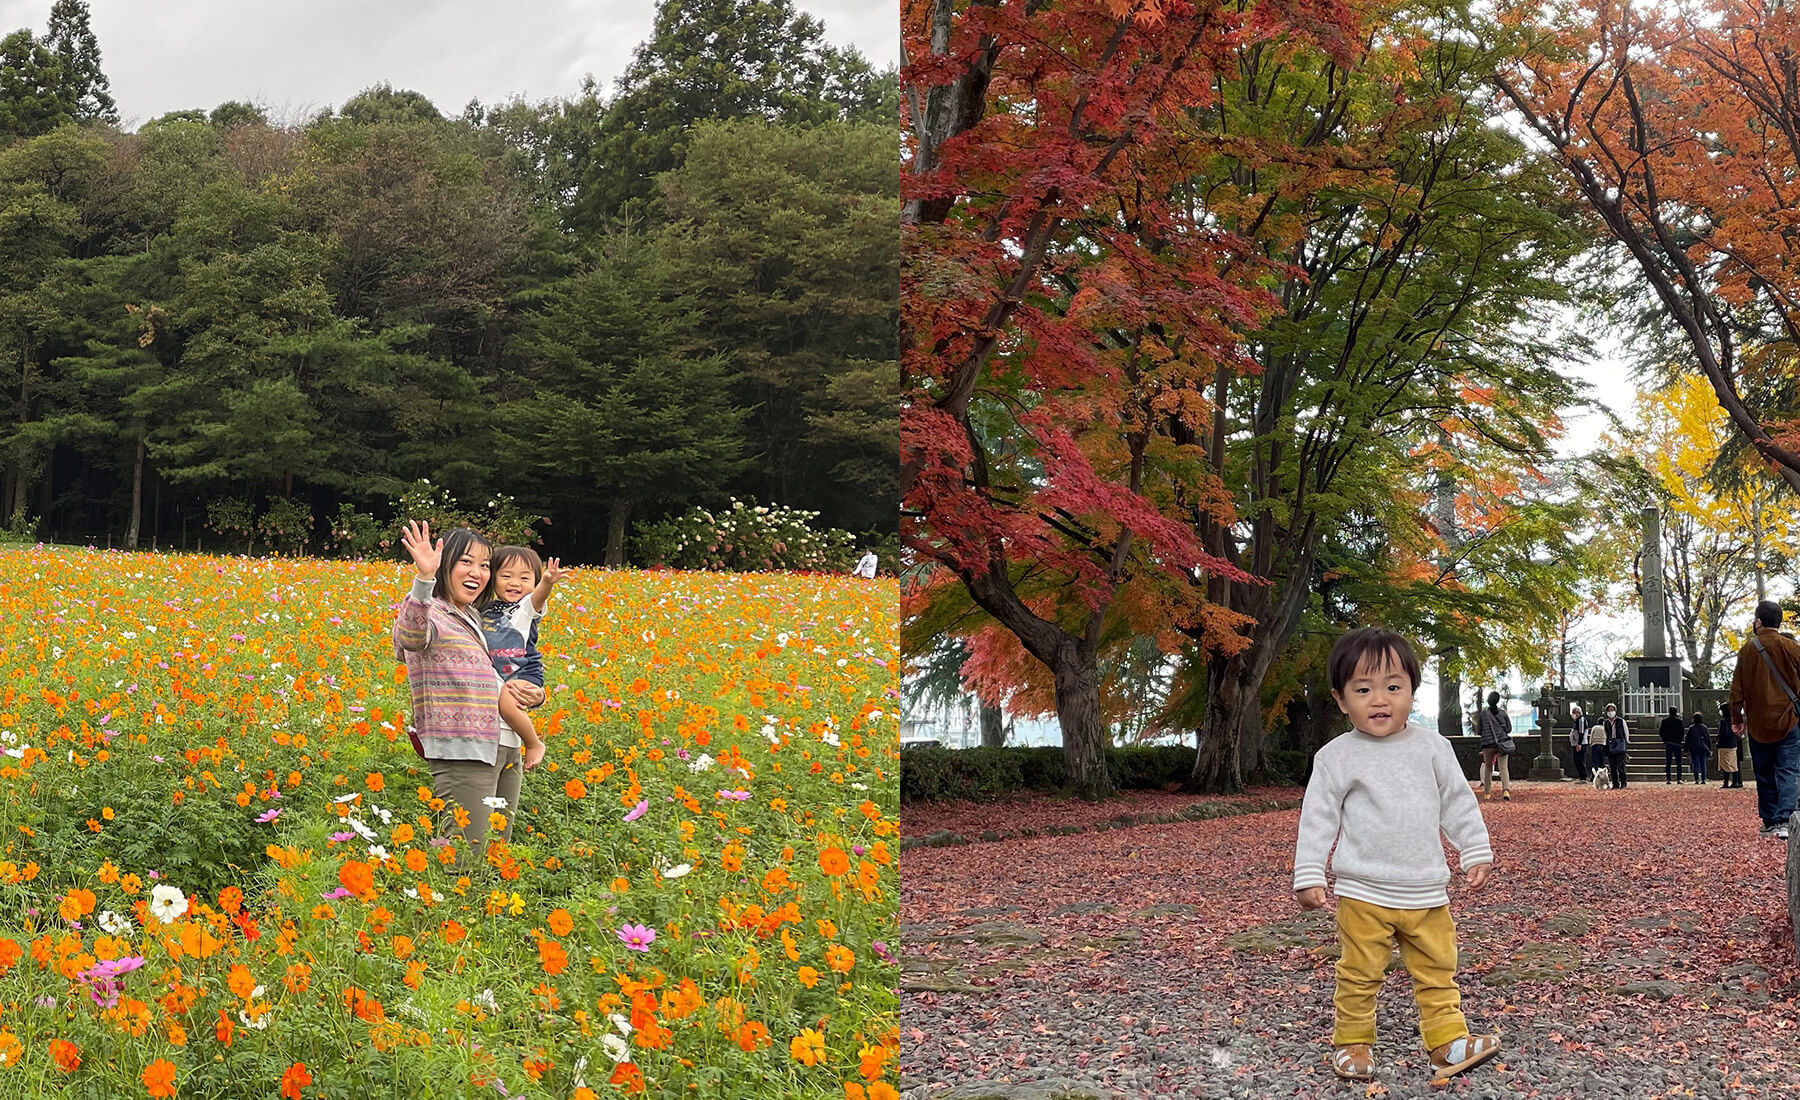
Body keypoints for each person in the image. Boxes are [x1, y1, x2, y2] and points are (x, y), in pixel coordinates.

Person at [1293, 627, 1500, 1085]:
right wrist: (1309, 873)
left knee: (1438, 971)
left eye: (1393, 686)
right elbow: (1318, 817)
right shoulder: (1337, 757)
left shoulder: (1432, 748)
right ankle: (1352, 1044)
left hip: (1427, 888)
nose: (1380, 699)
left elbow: (1456, 802)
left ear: (1411, 690)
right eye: (1363, 690)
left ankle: (1447, 1044)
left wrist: (1474, 850)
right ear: (1342, 700)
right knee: (1360, 972)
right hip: (1363, 890)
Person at [394, 521, 546, 855]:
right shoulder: (431, 612)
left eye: (484, 565)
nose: (476, 572)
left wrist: (534, 694)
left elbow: (505, 670)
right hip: (465, 750)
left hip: (506, 743)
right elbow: (410, 637)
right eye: (466, 561)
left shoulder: (476, 616)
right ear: (444, 563)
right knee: (466, 858)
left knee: (497, 855)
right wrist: (424, 578)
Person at [482, 544, 567, 772]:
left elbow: (538, 597)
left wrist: (547, 582)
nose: (514, 583)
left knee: (508, 702)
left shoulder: (525, 608)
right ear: (493, 578)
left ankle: (533, 743)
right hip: (500, 674)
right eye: (506, 576)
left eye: (524, 578)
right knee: (504, 697)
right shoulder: (484, 609)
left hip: (523, 671)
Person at [1728, 600, 1800, 839]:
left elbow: (1736, 690)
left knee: (1764, 772)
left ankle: (1769, 821)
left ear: (1758, 622)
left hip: (1758, 724)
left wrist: (1736, 717)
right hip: (1788, 719)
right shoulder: (1790, 647)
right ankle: (1785, 820)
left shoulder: (1747, 650)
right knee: (1789, 770)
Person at [1475, 692, 1512, 802]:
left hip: (1488, 745)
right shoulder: (1502, 713)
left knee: (1488, 768)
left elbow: (1479, 730)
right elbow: (1509, 729)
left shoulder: (1483, 715)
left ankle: (1487, 793)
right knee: (1503, 768)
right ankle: (1505, 790)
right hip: (1502, 743)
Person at [1601, 703, 1630, 789]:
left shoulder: (1621, 721)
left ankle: (1623, 782)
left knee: (1621, 765)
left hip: (1620, 743)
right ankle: (1615, 783)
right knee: (1612, 766)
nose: (1611, 712)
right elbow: (1604, 733)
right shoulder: (1605, 723)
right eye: (1609, 710)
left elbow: (1626, 731)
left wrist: (1626, 741)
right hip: (1610, 744)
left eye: (1612, 710)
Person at [1717, 703, 1744, 789]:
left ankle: (1726, 782)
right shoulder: (1735, 720)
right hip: (1734, 744)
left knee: (1725, 764)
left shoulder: (1723, 722)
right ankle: (1735, 781)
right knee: (1734, 764)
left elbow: (1722, 734)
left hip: (1724, 745)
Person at [1660, 706, 1687, 784]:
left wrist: (1664, 740)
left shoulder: (1665, 721)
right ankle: (1679, 779)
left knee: (1668, 762)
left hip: (1668, 742)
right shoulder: (1679, 721)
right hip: (1677, 743)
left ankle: (1668, 779)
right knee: (1678, 762)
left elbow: (1661, 731)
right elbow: (1682, 732)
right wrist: (1680, 740)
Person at [1686, 711, 1712, 785]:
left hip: (1694, 747)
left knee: (1695, 764)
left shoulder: (1691, 728)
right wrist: (1710, 749)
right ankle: (1703, 779)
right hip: (1703, 747)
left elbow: (1688, 739)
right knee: (1703, 764)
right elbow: (1708, 739)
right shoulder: (1704, 727)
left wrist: (1686, 749)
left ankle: (1696, 779)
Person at [1568, 704, 1592, 782]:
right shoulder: (1576, 721)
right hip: (1575, 744)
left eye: (1576, 712)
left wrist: (1579, 744)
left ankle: (1584, 777)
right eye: (1573, 712)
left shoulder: (1581, 720)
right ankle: (1581, 776)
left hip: (1581, 744)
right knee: (1576, 760)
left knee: (1580, 760)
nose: (1575, 714)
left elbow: (1581, 732)